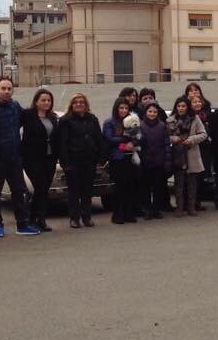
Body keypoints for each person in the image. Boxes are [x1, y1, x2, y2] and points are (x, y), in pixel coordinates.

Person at [0, 77, 40, 236]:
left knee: (19, 191)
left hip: (14, 157)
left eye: (9, 88)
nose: (6, 91)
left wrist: (43, 111)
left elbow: (27, 119)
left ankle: (22, 224)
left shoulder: (15, 106)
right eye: (3, 88)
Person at [57, 92, 106, 228]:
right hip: (72, 161)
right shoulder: (65, 120)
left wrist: (101, 157)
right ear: (72, 105)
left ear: (86, 105)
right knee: (74, 191)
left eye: (82, 102)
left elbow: (99, 138)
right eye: (76, 102)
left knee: (87, 190)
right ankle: (74, 218)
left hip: (89, 160)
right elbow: (62, 143)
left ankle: (87, 217)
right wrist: (65, 162)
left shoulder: (92, 119)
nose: (79, 104)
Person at [20, 88, 58, 232]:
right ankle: (30, 218)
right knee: (39, 187)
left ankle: (41, 219)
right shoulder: (27, 115)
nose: (46, 102)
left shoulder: (52, 117)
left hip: (49, 158)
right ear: (36, 101)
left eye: (49, 100)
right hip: (32, 158)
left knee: (44, 190)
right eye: (43, 100)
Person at [167, 95, 207, 216]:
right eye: (178, 106)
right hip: (178, 155)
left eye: (183, 106)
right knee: (178, 184)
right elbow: (165, 136)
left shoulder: (195, 119)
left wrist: (192, 139)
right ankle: (179, 208)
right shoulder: (170, 120)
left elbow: (203, 134)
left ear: (187, 107)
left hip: (191, 154)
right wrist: (172, 138)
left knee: (192, 184)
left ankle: (191, 207)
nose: (181, 108)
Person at [103, 97, 139, 224]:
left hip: (131, 157)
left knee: (130, 186)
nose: (124, 110)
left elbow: (138, 136)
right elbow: (109, 139)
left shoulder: (132, 120)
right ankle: (117, 214)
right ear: (116, 109)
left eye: (126, 108)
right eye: (121, 108)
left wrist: (133, 143)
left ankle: (129, 213)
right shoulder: (110, 122)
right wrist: (124, 142)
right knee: (119, 187)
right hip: (117, 158)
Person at [137, 101, 171, 218]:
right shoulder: (140, 126)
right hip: (145, 162)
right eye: (150, 111)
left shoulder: (162, 126)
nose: (152, 114)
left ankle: (156, 209)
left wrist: (167, 161)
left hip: (159, 161)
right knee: (145, 188)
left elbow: (166, 144)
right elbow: (137, 143)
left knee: (158, 188)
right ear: (145, 112)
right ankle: (146, 209)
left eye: (155, 112)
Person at [188, 96, 212, 211]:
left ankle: (198, 201)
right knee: (192, 178)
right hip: (192, 148)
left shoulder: (206, 115)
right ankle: (190, 203)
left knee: (201, 177)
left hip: (205, 149)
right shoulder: (189, 116)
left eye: (199, 101)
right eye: (194, 102)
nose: (197, 103)